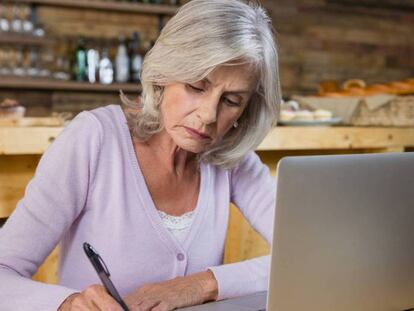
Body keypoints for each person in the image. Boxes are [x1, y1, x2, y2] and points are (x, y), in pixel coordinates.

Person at [0, 0, 281, 310]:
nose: (208, 115)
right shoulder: (94, 138)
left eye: (231, 100)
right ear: (164, 74)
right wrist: (67, 303)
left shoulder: (232, 160)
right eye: (196, 86)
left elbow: (310, 252)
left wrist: (203, 284)